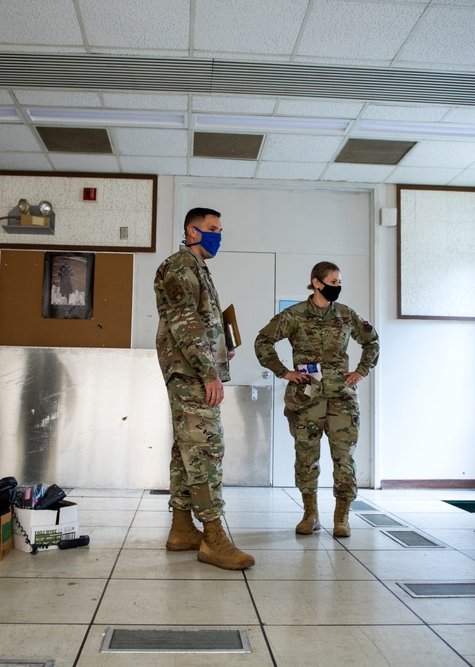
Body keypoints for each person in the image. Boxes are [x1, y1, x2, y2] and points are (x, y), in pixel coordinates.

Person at [153, 207, 254, 570]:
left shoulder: (197, 269)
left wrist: (221, 348)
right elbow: (184, 324)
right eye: (212, 229)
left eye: (221, 229)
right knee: (207, 448)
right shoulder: (180, 267)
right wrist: (208, 371)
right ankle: (213, 536)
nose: (218, 236)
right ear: (191, 231)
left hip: (193, 369)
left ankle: (182, 528)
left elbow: (201, 323)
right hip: (191, 373)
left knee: (187, 448)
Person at [254, 262, 379, 538]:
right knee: (306, 457)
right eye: (333, 281)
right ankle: (310, 514)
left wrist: (361, 371)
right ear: (317, 283)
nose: (337, 286)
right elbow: (263, 340)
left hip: (342, 398)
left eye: (339, 281)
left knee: (344, 458)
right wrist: (283, 371)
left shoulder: (346, 315)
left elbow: (372, 341)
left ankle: (342, 517)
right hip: (307, 399)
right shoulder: (295, 315)